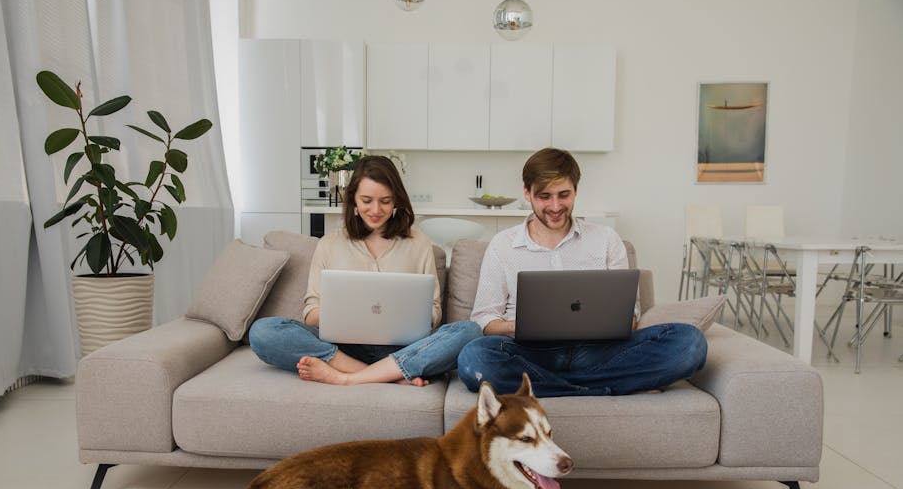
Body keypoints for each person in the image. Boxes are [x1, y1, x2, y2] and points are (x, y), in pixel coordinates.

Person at [457, 148, 707, 397]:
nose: (555, 206)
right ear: (527, 193)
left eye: (564, 195)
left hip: (599, 352)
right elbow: (484, 319)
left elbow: (630, 317)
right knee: (474, 358)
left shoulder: (606, 239)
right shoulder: (503, 245)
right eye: (545, 196)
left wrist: (609, 323)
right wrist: (518, 326)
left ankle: (552, 387)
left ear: (576, 190)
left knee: (690, 342)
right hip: (530, 354)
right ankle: (600, 386)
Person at [249, 155, 481, 386]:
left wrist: (409, 316)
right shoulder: (329, 244)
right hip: (343, 349)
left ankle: (347, 378)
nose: (376, 209)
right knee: (263, 331)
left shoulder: (418, 243)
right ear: (353, 201)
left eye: (386, 201)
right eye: (367, 200)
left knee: (469, 331)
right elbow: (310, 313)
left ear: (397, 201)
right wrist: (346, 312)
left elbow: (433, 312)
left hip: (404, 348)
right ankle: (387, 375)